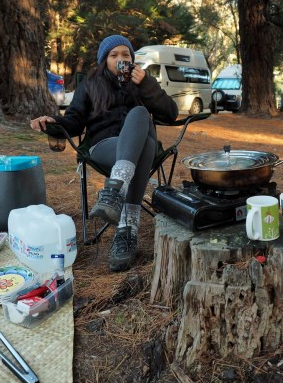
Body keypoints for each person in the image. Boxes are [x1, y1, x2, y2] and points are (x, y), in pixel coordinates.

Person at [30, 34, 178, 271]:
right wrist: (54, 122)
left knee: (140, 117)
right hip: (103, 147)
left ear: (133, 60)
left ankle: (115, 192)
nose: (121, 59)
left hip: (139, 150)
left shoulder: (142, 85)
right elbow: (75, 122)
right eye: (114, 55)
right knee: (146, 148)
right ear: (104, 60)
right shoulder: (89, 85)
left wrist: (147, 85)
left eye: (126, 55)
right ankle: (127, 229)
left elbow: (170, 113)